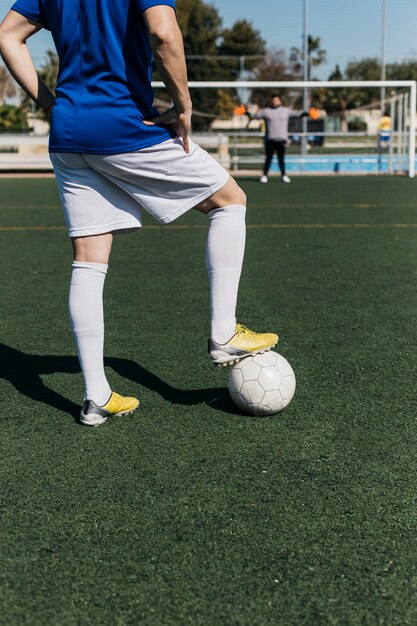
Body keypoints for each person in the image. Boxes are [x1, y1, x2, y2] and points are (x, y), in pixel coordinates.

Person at [0, 0, 278, 426]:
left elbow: (7, 35)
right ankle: (224, 333)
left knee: (88, 258)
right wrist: (182, 104)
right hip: (122, 125)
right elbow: (163, 32)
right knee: (229, 201)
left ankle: (96, 398)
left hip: (69, 134)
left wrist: (50, 103)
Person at [247, 94, 308, 184]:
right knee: (268, 158)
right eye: (273, 100)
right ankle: (264, 175)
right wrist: (246, 112)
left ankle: (284, 175)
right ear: (271, 101)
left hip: (281, 140)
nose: (275, 102)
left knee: (281, 159)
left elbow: (298, 114)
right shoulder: (266, 111)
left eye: (277, 100)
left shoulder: (286, 111)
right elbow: (254, 116)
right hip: (270, 140)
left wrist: (308, 113)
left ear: (280, 101)